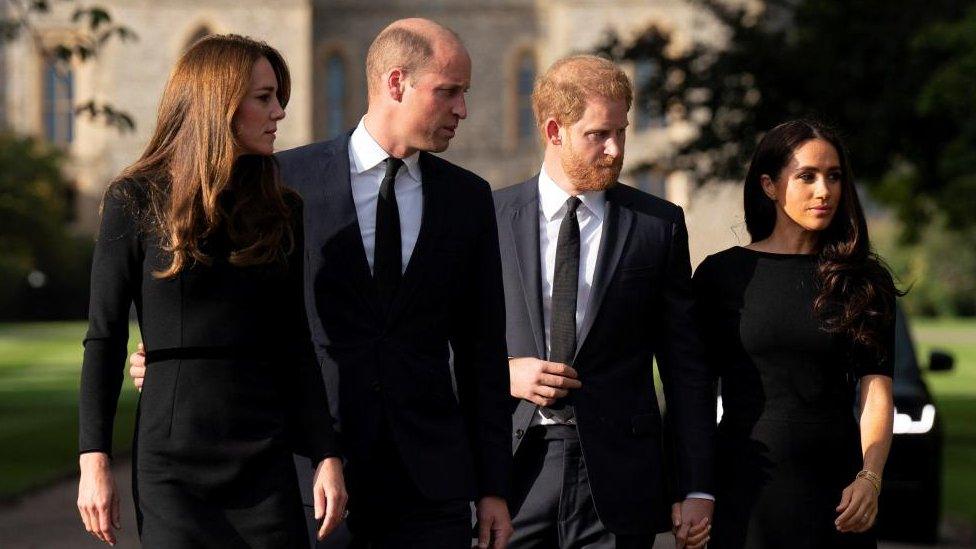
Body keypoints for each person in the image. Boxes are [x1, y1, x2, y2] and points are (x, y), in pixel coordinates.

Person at [130, 18, 512, 549]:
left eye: (464, 94)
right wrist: (174, 357)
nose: (462, 110)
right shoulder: (283, 181)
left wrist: (494, 488)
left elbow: (482, 355)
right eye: (449, 92)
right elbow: (231, 310)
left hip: (432, 485)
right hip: (316, 475)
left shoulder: (469, 198)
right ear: (396, 83)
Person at [76, 34, 346, 547]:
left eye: (278, 96)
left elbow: (295, 343)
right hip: (171, 466)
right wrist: (94, 460)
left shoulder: (283, 209)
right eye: (264, 97)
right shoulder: (133, 199)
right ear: (219, 103)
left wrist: (325, 455)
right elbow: (104, 338)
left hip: (265, 457)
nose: (279, 112)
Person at [495, 54, 715, 549]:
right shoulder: (489, 218)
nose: (616, 150)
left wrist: (695, 484)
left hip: (620, 478)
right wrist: (502, 371)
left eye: (622, 131)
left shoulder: (658, 225)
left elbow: (685, 367)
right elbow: (439, 339)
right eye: (599, 135)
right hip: (512, 471)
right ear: (555, 130)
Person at [693, 120, 898, 548]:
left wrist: (871, 478)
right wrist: (692, 490)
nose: (824, 190)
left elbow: (876, 390)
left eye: (834, 176)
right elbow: (691, 392)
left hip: (840, 493)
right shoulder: (722, 274)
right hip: (745, 486)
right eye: (807, 176)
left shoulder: (863, 280)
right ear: (769, 185)